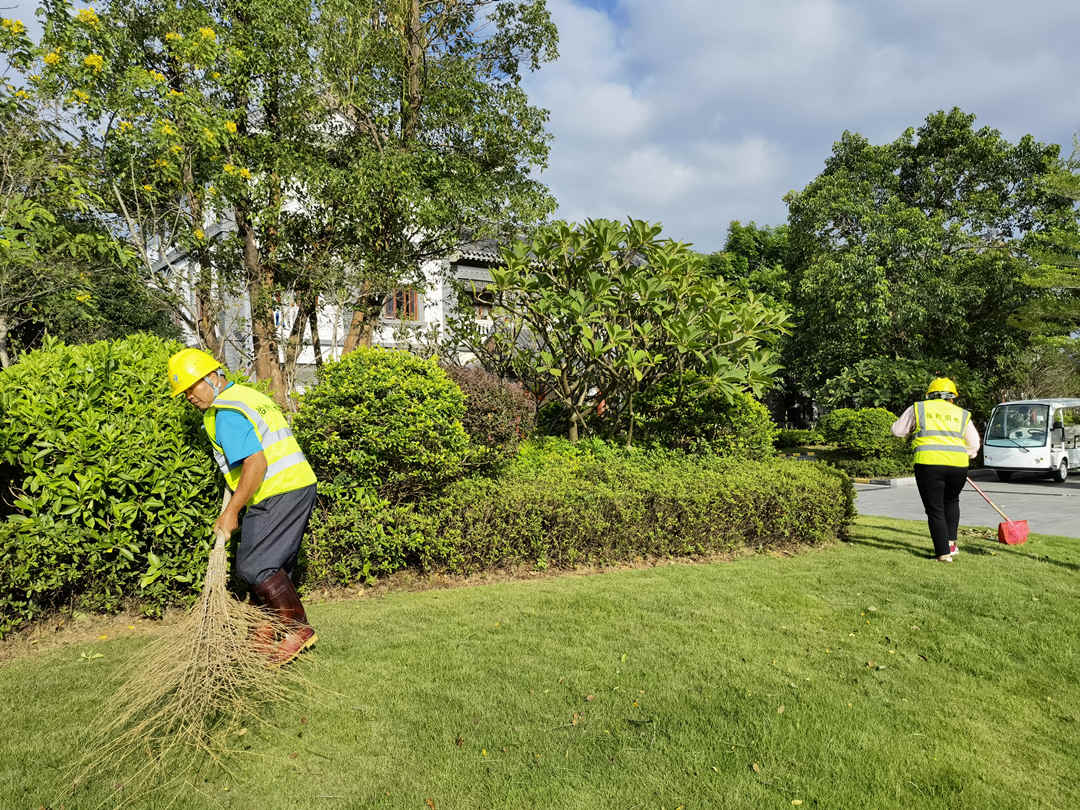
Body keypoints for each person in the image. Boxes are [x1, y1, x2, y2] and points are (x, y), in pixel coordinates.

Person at [167, 347, 319, 664]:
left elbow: (256, 464)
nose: (189, 398)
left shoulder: (225, 414)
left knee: (254, 565)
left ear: (211, 377)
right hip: (296, 483)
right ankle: (266, 632)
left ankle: (298, 629)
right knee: (272, 565)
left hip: (277, 489)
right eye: (183, 393)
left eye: (191, 388)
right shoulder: (246, 397)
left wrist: (232, 510)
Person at [891, 377, 980, 562]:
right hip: (958, 465)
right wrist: (968, 454)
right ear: (952, 397)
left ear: (929, 395)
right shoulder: (962, 413)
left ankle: (943, 553)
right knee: (952, 502)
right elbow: (974, 444)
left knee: (935, 509)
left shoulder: (919, 408)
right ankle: (951, 546)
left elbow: (898, 431)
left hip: (929, 464)